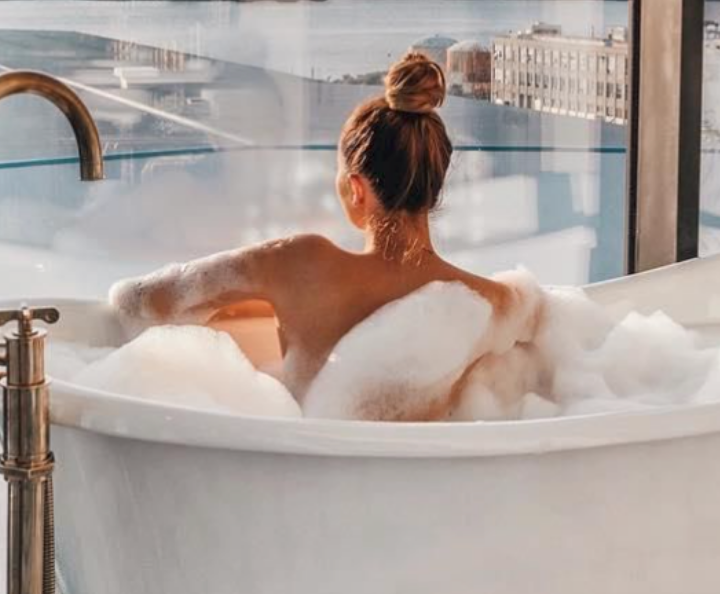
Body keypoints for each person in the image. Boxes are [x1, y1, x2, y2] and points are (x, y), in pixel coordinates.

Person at [108, 52, 537, 418]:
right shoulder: (495, 303)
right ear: (436, 182)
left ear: (355, 188)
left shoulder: (301, 264)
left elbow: (142, 301)